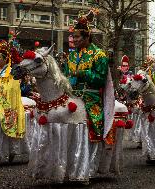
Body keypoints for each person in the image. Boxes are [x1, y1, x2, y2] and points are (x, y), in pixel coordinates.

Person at [64, 9, 115, 175]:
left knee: (92, 126)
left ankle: (89, 168)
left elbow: (101, 79)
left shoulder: (99, 55)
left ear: (87, 37)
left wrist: (83, 73)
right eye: (73, 37)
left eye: (77, 37)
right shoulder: (70, 56)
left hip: (91, 97)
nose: (74, 40)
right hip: (72, 95)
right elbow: (66, 76)